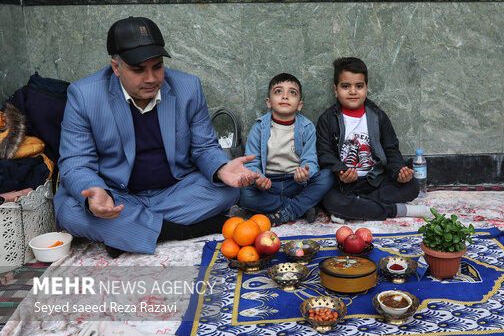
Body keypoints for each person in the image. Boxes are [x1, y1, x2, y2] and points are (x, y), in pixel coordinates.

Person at [54, 16, 259, 257]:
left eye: (157, 66)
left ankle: (128, 233)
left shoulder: (188, 88)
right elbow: (75, 161)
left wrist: (221, 168)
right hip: (118, 196)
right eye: (138, 69)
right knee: (70, 209)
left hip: (174, 192)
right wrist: (96, 193)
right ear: (116, 67)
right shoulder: (84, 96)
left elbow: (204, 148)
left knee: (227, 190)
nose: (151, 78)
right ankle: (184, 230)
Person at [316, 57, 430, 222]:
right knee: (329, 199)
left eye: (359, 86)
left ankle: (354, 207)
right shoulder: (327, 119)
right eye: (346, 86)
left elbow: (391, 148)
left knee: (411, 187)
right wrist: (341, 171)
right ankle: (396, 210)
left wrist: (399, 171)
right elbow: (324, 153)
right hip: (343, 184)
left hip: (374, 181)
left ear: (366, 88)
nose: (353, 91)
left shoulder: (377, 116)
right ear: (335, 90)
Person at [239, 73, 335, 226]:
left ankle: (288, 210)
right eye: (278, 91)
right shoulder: (259, 127)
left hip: (296, 184)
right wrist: (258, 179)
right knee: (242, 194)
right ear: (269, 102)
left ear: (300, 105)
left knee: (327, 177)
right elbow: (251, 161)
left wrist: (305, 173)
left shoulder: (307, 127)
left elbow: (310, 159)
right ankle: (299, 207)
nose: (285, 96)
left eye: (292, 93)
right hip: (269, 185)